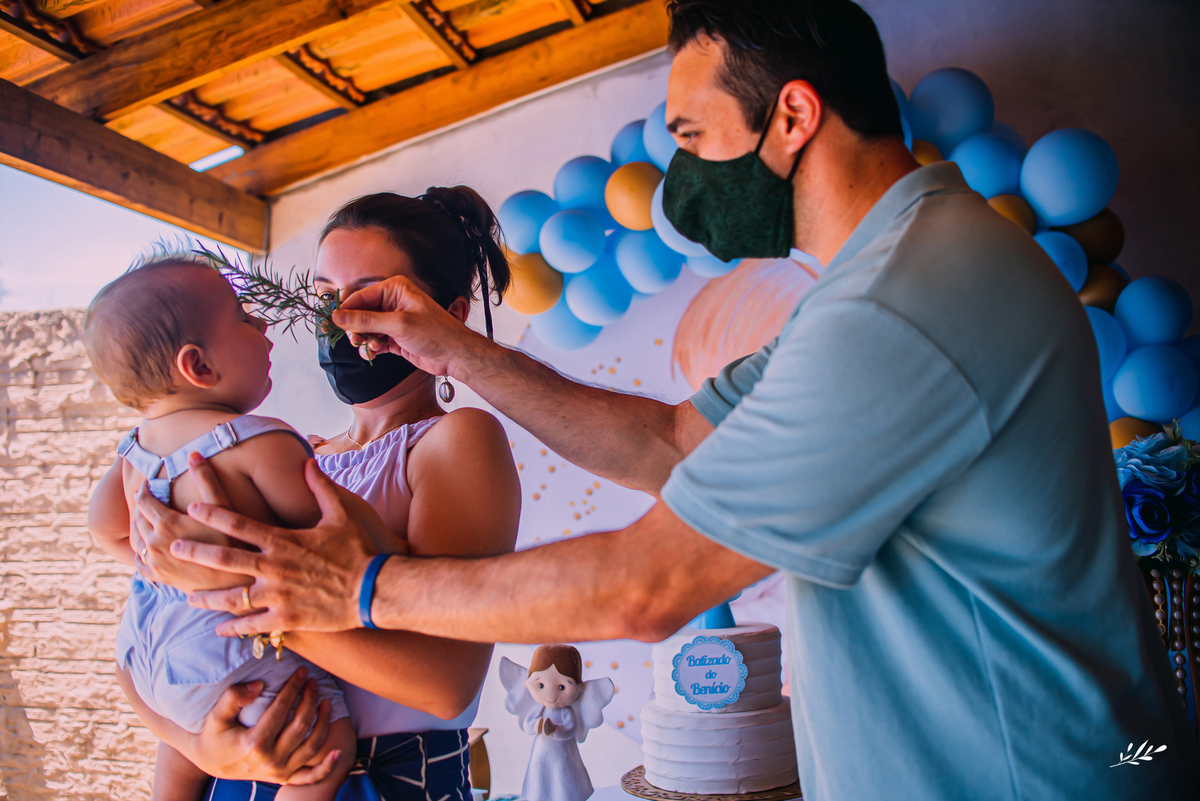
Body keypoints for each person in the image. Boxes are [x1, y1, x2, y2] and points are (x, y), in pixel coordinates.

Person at [144, 0, 1200, 797]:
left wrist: (364, 589)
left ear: (792, 116)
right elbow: (666, 438)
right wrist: (457, 348)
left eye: (690, 136)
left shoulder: (905, 304)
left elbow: (645, 588)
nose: (679, 172)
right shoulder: (876, 291)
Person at [119, 189, 521, 799]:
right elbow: (162, 627)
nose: (339, 318)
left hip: (384, 777)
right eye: (325, 297)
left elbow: (444, 684)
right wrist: (195, 744)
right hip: (235, 768)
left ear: (451, 315)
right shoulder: (286, 453)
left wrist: (236, 597)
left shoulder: (454, 443)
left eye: (369, 295)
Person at [85, 256, 358, 801]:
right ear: (199, 367)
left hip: (145, 650)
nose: (263, 327)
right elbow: (333, 544)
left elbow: (108, 531)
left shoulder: (135, 453)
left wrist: (176, 570)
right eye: (244, 318)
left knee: (183, 750)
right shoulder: (259, 441)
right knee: (326, 745)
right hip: (225, 649)